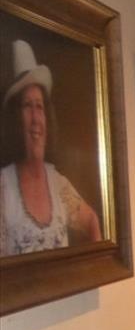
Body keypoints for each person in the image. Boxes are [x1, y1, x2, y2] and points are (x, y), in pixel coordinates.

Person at [0, 39, 101, 256]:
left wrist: (94, 269)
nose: (36, 119)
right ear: (15, 119)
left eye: (40, 107)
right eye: (27, 106)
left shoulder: (58, 183)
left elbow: (91, 220)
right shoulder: (3, 187)